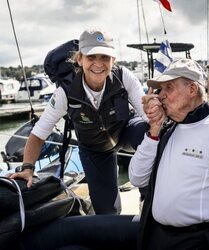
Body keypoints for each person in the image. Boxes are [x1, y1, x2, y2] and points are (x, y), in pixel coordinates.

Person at [8, 28, 149, 215]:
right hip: (94, 149)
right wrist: (27, 168)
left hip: (124, 132)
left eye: (105, 58)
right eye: (91, 57)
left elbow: (148, 117)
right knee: (107, 211)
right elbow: (39, 133)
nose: (98, 64)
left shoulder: (124, 77)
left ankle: (147, 199)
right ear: (79, 59)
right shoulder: (65, 92)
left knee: (146, 133)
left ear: (113, 60)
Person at [129, 58, 209, 249]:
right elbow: (137, 178)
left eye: (168, 88)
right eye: (160, 89)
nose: (161, 96)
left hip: (198, 242)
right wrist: (154, 130)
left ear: (192, 89)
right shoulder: (164, 129)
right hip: (155, 236)